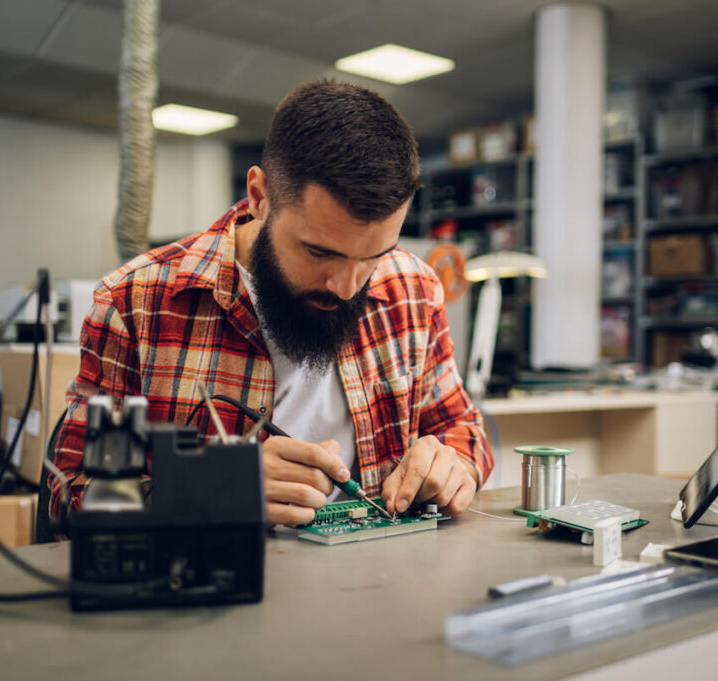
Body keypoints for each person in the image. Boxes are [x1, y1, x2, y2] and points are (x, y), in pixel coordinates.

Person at [50, 79, 493, 526]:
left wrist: (456, 465)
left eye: (372, 259)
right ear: (260, 197)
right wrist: (207, 490)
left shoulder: (413, 289)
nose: (345, 288)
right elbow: (72, 497)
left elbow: (464, 429)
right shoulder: (135, 303)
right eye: (319, 252)